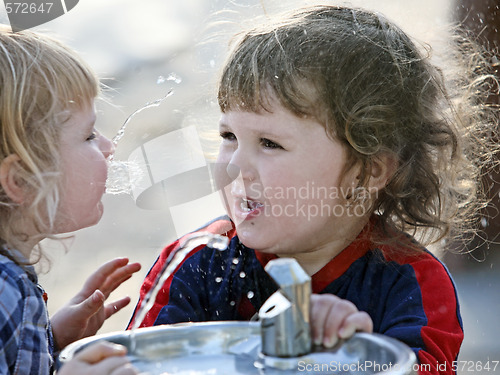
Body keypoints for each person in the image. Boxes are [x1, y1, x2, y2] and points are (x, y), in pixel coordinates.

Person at [129, 5, 498, 374]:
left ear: (368, 170)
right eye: (229, 136)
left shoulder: (410, 286)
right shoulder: (198, 264)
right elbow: (136, 366)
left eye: (270, 143)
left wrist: (348, 356)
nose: (233, 165)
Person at [0, 25, 141, 374]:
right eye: (89, 135)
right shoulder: (5, 294)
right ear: (21, 180)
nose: (109, 147)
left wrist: (52, 341)